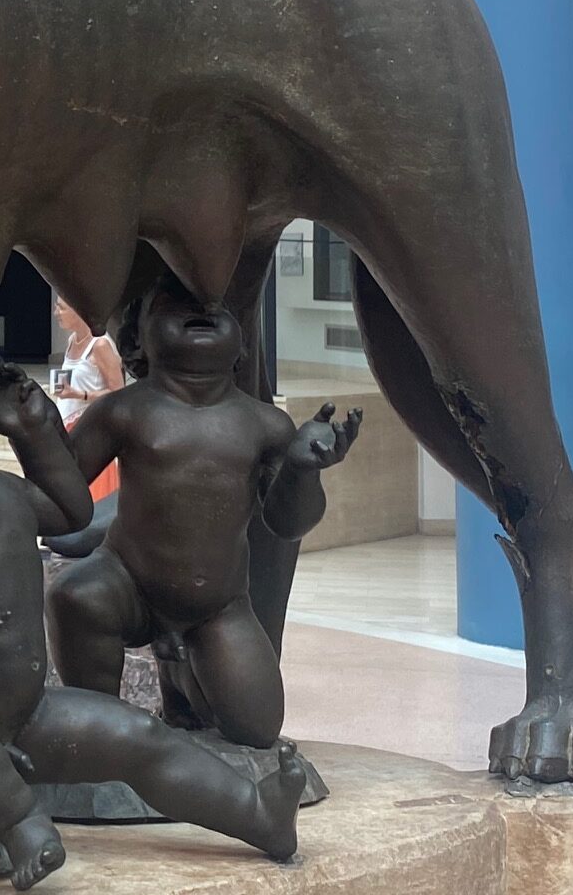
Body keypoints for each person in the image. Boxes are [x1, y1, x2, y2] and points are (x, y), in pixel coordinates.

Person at [0, 357, 303, 890]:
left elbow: (70, 512)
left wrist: (33, 430)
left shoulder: (1, 486)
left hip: (27, 710)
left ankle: (259, 814)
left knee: (144, 738)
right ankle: (20, 823)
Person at [46, 276, 361, 749]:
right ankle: (98, 729)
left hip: (216, 604)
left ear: (240, 346)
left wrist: (301, 471)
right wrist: (35, 435)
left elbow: (287, 524)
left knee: (256, 729)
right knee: (76, 595)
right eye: (174, 306)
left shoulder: (263, 422)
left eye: (217, 308)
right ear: (139, 340)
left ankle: (183, 680)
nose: (201, 310)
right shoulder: (125, 411)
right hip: (127, 581)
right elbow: (63, 491)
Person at [52, 298, 125, 500]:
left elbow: (118, 391)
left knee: (91, 493)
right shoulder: (71, 341)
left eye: (62, 308)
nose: (56, 312)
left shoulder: (100, 345)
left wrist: (80, 394)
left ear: (79, 311)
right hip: (67, 424)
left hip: (90, 427)